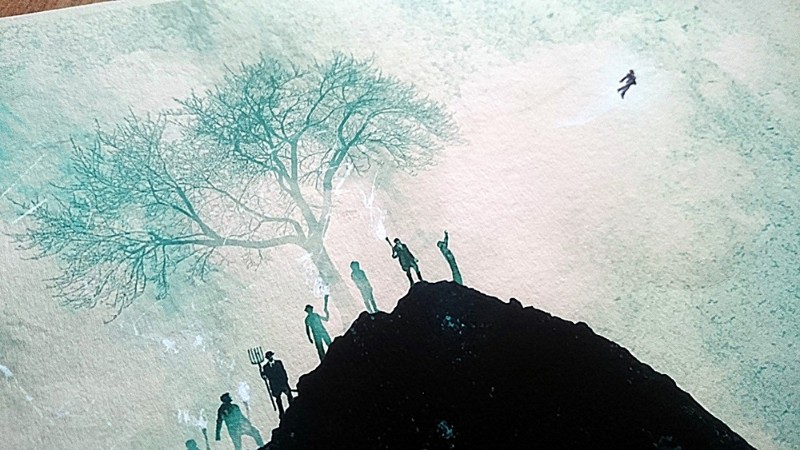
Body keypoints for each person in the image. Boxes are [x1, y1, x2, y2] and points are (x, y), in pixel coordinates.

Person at [260, 351, 293, 419]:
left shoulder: (278, 363)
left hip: (282, 383)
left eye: (270, 356)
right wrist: (263, 375)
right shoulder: (266, 367)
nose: (270, 358)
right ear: (267, 358)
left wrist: (285, 380)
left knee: (289, 395)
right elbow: (266, 376)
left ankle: (293, 408)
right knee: (278, 399)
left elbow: (283, 372)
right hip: (275, 385)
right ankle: (281, 413)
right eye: (268, 357)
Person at [305, 296, 332, 362]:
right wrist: (309, 338)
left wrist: (326, 311)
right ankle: (323, 360)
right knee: (320, 348)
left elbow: (326, 319)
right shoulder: (307, 319)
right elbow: (307, 329)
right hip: (316, 335)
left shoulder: (316, 315)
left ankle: (334, 353)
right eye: (308, 309)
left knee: (329, 343)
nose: (310, 310)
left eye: (310, 309)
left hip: (322, 331)